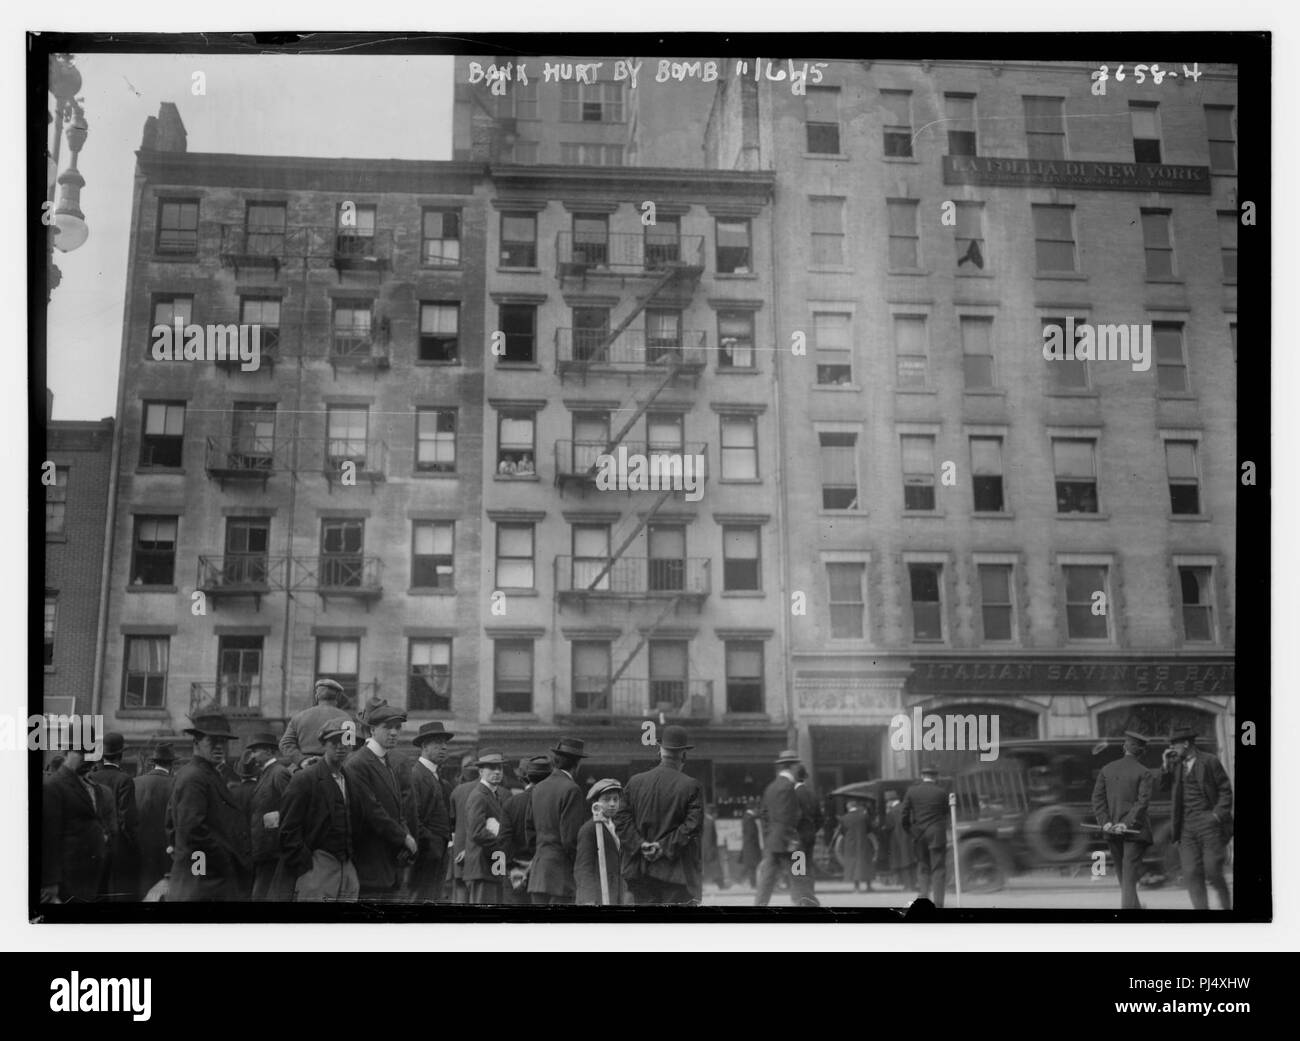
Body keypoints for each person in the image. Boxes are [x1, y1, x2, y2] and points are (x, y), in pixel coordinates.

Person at [167, 712, 253, 902]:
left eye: (223, 741)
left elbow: (172, 827)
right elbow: (193, 832)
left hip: (207, 881)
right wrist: (226, 861)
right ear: (196, 742)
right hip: (204, 885)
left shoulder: (205, 774)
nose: (220, 747)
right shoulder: (195, 777)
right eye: (213, 740)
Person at [615, 725, 704, 906]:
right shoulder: (691, 786)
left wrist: (642, 846)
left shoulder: (635, 782)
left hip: (640, 872)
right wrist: (661, 847)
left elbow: (621, 821)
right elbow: (692, 827)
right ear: (684, 755)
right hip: (675, 874)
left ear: (660, 751)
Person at [279, 718, 361, 902]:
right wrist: (306, 867)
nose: (341, 747)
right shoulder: (305, 779)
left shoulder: (350, 779)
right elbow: (287, 830)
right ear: (324, 744)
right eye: (334, 742)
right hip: (317, 869)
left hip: (346, 868)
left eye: (346, 741)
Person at [344, 698, 418, 902]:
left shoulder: (386, 761)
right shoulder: (358, 763)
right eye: (387, 727)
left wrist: (406, 836)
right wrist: (404, 837)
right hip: (369, 865)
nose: (394, 732)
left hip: (389, 864)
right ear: (372, 730)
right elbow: (372, 811)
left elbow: (399, 809)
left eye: (397, 727)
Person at [1158, 727, 1233, 910]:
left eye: (1174, 744)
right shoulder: (1175, 765)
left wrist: (1216, 815)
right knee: (1191, 873)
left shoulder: (1209, 761)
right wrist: (1165, 765)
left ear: (1186, 743)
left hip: (1209, 825)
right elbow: (1162, 787)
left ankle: (1228, 909)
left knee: (1213, 871)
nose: (1171, 748)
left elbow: (1225, 791)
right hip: (1186, 828)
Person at [1090, 731, 1154, 910]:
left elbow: (1097, 800)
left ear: (1124, 747)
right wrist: (1125, 824)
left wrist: (1106, 823)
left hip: (1111, 831)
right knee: (1128, 875)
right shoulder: (1144, 772)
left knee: (1123, 875)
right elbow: (1142, 803)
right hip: (1135, 831)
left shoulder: (1107, 769)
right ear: (1141, 751)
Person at [41, 748, 111, 903]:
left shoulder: (91, 787)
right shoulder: (53, 786)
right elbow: (49, 837)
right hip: (68, 878)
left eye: (92, 754)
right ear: (67, 753)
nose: (89, 759)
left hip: (90, 875)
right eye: (82, 753)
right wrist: (50, 882)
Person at [528, 737, 589, 905]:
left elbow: (530, 829)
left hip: (538, 874)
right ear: (577, 764)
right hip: (561, 876)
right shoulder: (572, 789)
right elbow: (570, 839)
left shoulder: (538, 788)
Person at [755, 750, 815, 906]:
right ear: (793, 767)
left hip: (774, 842)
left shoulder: (771, 787)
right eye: (798, 765)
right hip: (789, 843)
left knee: (767, 881)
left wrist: (770, 835)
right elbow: (787, 817)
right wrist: (793, 840)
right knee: (800, 876)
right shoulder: (788, 787)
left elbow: (764, 814)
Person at [405, 721, 454, 903]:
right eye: (438, 743)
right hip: (424, 854)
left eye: (445, 743)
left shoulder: (439, 778)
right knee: (418, 899)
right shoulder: (415, 775)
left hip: (438, 853)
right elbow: (411, 817)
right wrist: (431, 842)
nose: (444, 748)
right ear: (424, 746)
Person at [88, 732, 140, 903]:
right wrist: (133, 845)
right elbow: (127, 819)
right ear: (121, 755)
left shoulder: (90, 777)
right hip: (117, 847)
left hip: (92, 845)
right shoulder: (124, 780)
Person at [245, 732, 293, 902]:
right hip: (264, 849)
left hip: (274, 849)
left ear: (269, 751)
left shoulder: (279, 773)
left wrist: (275, 823)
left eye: (255, 751)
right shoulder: (266, 773)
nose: (252, 755)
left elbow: (291, 808)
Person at [464, 749, 513, 904]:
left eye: (500, 768)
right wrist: (502, 844)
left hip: (492, 866)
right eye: (492, 768)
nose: (497, 772)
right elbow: (477, 832)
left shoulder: (495, 795)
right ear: (481, 771)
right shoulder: (479, 796)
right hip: (481, 866)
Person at [504, 755, 551, 901]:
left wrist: (504, 869)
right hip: (546, 871)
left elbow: (502, 841)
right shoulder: (553, 801)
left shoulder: (511, 803)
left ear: (523, 778)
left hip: (516, 872)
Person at [901, 764, 949, 907]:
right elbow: (946, 813)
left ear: (922, 776)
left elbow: (904, 815)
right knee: (938, 869)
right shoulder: (942, 792)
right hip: (936, 834)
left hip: (919, 834)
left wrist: (910, 830)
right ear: (935, 777)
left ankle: (923, 901)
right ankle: (939, 904)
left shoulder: (912, 791)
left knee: (923, 867)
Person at [133, 742, 176, 898]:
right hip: (167, 852)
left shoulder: (135, 783)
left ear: (153, 762)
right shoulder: (175, 784)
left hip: (141, 850)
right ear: (171, 764)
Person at [279, 678, 353, 768]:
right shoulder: (346, 718)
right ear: (338, 696)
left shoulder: (299, 716)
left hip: (305, 768)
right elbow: (349, 749)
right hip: (334, 767)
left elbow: (285, 744)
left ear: (317, 696)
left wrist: (301, 760)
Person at [575, 778, 625, 905]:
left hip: (615, 893)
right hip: (598, 896)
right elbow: (583, 868)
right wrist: (588, 900)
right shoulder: (589, 829)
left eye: (615, 799)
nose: (612, 804)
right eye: (607, 799)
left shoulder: (615, 827)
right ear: (596, 803)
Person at [448, 755, 479, 903]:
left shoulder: (457, 791)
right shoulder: (496, 790)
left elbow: (451, 822)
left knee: (460, 894)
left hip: (459, 852)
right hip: (484, 854)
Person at [794, 765, 823, 903]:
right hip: (810, 835)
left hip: (797, 837)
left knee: (798, 869)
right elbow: (820, 819)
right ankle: (810, 894)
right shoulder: (812, 794)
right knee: (809, 866)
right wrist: (812, 830)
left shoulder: (793, 794)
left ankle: (802, 897)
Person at [838, 798, 876, 892]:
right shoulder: (864, 816)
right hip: (863, 843)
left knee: (852, 865)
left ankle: (856, 887)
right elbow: (870, 830)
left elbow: (842, 832)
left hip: (850, 845)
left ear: (848, 806)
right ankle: (868, 886)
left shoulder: (844, 818)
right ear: (857, 806)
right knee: (866, 864)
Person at [702, 804, 726, 890]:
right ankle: (721, 885)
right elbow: (708, 838)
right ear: (713, 813)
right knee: (716, 868)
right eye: (716, 812)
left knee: (707, 868)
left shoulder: (705, 820)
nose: (717, 814)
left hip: (706, 849)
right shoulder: (710, 822)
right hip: (710, 849)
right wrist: (710, 851)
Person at [740, 797, 763, 888]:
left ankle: (749, 882)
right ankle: (752, 884)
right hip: (751, 846)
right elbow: (751, 834)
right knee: (752, 866)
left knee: (750, 866)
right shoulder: (749, 818)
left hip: (749, 846)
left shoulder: (747, 817)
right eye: (757, 808)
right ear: (754, 808)